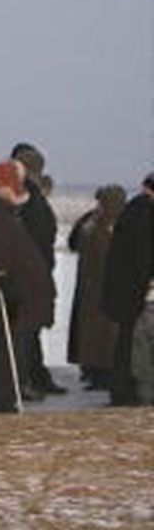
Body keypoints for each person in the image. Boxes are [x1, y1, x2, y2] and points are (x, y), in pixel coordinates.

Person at [0, 161, 52, 415]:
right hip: (4, 303)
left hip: (11, 302)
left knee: (8, 357)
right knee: (3, 360)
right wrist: (8, 289)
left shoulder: (2, 213)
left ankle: (0, 405)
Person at [10, 143, 64, 396]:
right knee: (25, 331)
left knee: (30, 331)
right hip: (31, 273)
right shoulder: (28, 196)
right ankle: (24, 380)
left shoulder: (28, 195)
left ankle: (34, 376)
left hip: (34, 270)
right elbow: (36, 235)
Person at [101, 172, 154, 406]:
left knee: (127, 342)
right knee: (132, 343)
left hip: (125, 288)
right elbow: (144, 253)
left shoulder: (134, 209)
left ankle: (123, 390)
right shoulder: (143, 212)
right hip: (134, 290)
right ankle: (127, 391)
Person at [67, 186, 126, 391]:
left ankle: (95, 372)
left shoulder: (90, 222)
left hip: (92, 287)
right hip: (103, 288)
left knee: (95, 334)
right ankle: (100, 373)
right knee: (103, 335)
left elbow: (73, 243)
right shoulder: (115, 222)